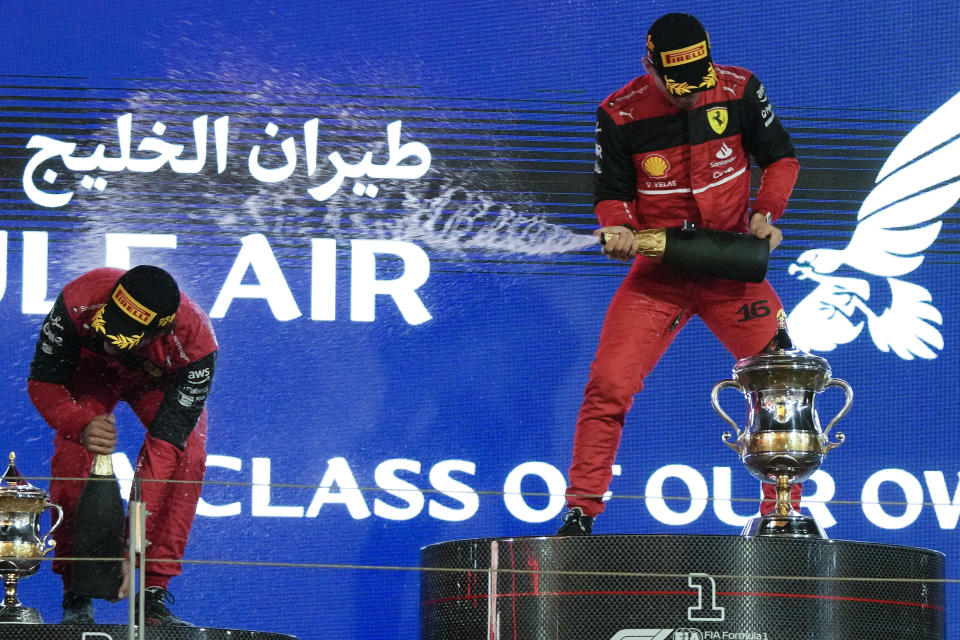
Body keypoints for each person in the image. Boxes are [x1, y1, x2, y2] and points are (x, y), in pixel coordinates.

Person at [557, 13, 801, 535]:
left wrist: (766, 212)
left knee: (782, 382)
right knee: (608, 385)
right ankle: (581, 510)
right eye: (678, 85)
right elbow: (612, 193)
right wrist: (619, 228)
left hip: (732, 269)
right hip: (658, 276)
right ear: (650, 68)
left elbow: (781, 159)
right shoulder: (619, 114)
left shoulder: (739, 89)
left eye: (699, 81)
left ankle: (783, 515)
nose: (691, 94)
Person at [28, 265, 217, 624]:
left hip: (154, 384)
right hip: (90, 373)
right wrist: (78, 425)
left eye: (126, 336)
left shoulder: (195, 345)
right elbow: (43, 382)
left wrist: (134, 549)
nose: (112, 342)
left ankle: (152, 592)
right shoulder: (78, 300)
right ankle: (78, 591)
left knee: (189, 453)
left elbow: (163, 453)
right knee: (74, 452)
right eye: (109, 325)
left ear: (162, 331)